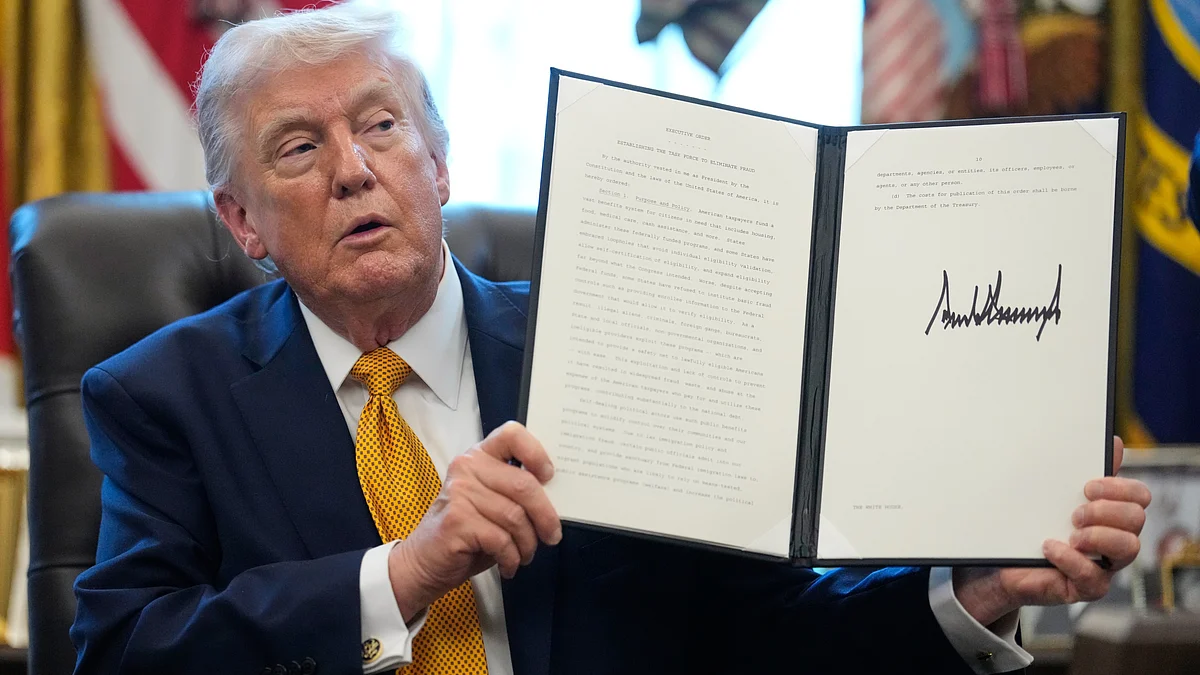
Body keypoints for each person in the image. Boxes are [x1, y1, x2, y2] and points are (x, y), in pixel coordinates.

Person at [68, 4, 1151, 674]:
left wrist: (984, 589)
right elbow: (122, 652)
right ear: (241, 221)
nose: (354, 168)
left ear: (440, 168)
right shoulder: (164, 396)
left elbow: (765, 637)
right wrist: (401, 573)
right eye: (299, 146)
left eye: (382, 126)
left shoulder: (613, 338)